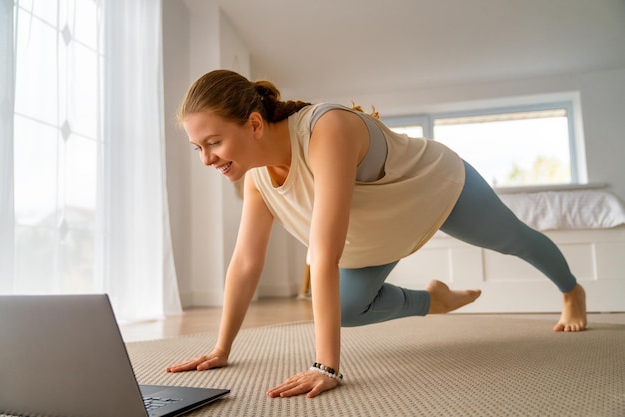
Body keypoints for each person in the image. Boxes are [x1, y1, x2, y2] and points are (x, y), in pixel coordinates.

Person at [165, 69, 587, 398]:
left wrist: (325, 366)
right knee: (346, 310)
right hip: (378, 233)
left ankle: (571, 291)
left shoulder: (324, 129)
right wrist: (222, 348)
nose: (206, 159)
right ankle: (435, 301)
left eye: (213, 143)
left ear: (254, 124)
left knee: (513, 239)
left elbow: (324, 254)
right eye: (197, 148)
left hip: (434, 188)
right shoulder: (257, 180)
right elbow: (246, 262)